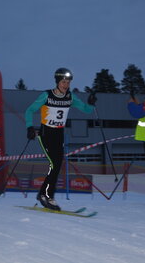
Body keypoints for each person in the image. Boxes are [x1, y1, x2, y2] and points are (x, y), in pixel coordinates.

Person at [25, 68, 97, 210]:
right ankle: (47, 196)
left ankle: (43, 194)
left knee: (57, 165)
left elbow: (86, 110)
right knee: (55, 163)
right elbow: (29, 110)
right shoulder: (47, 95)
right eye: (63, 82)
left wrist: (91, 103)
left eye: (68, 82)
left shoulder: (70, 97)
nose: (66, 85)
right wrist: (29, 127)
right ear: (58, 82)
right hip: (46, 133)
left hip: (59, 134)